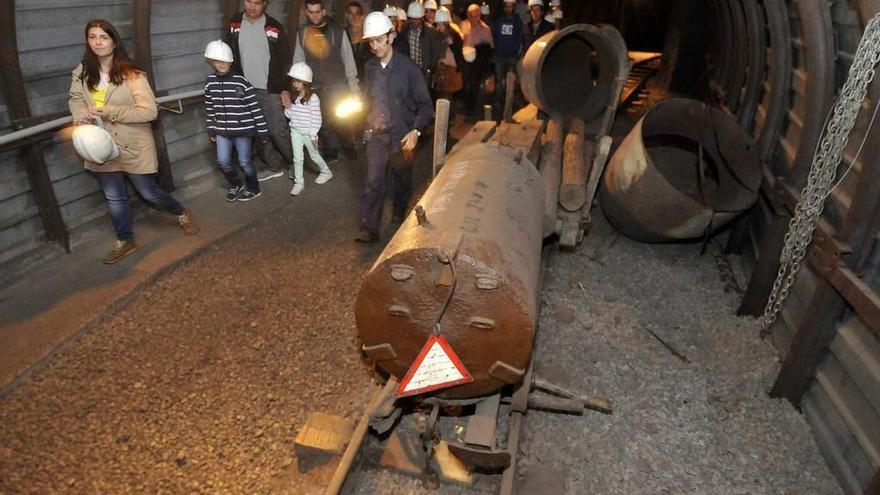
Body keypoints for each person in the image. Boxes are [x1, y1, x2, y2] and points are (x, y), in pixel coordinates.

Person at [69, 19, 199, 265]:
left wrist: (110, 112)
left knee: (149, 193)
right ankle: (125, 240)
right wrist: (79, 114)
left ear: (114, 41)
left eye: (103, 37)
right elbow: (76, 98)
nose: (98, 42)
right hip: (100, 146)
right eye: (93, 36)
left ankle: (181, 212)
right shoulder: (82, 71)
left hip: (132, 145)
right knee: (114, 198)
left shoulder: (132, 74)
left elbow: (149, 111)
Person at [357, 11, 433, 243]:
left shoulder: (409, 70)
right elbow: (367, 98)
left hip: (401, 136)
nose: (375, 46)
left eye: (379, 40)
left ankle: (400, 211)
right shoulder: (370, 68)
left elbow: (426, 107)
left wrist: (416, 131)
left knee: (401, 179)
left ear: (391, 36)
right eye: (371, 42)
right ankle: (369, 227)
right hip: (377, 136)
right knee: (374, 181)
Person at [224, 0, 292, 182]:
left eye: (257, 3)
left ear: (265, 4)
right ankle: (274, 165)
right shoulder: (234, 24)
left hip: (270, 89)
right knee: (258, 131)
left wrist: (285, 88)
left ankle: (296, 163)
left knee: (278, 130)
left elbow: (286, 60)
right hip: (245, 89)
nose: (252, 7)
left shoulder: (274, 27)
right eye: (248, 1)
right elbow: (228, 54)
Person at [293, 0, 360, 162]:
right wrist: (300, 88)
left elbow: (348, 60)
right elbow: (298, 61)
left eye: (317, 11)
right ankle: (331, 151)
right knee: (322, 123)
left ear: (323, 11)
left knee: (342, 118)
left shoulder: (337, 31)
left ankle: (348, 144)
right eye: (311, 12)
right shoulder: (302, 34)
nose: (314, 15)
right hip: (316, 86)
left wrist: (354, 88)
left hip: (338, 85)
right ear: (306, 13)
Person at [203, 40, 268, 202]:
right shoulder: (210, 82)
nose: (221, 64)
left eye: (224, 60)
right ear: (212, 62)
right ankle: (236, 185)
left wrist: (262, 131)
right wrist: (211, 129)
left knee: (245, 162)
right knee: (223, 161)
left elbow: (255, 108)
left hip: (243, 131)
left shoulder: (241, 82)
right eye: (217, 61)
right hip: (222, 131)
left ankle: (254, 188)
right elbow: (210, 108)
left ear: (231, 61)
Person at [285, 62, 333, 196]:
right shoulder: (294, 96)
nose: (295, 83)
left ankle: (326, 172)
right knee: (297, 158)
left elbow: (317, 118)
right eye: (293, 80)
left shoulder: (313, 98)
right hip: (295, 131)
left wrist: (313, 134)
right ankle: (298, 182)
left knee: (314, 155)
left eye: (298, 81)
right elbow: (291, 115)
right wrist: (288, 108)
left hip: (308, 133)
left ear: (306, 82)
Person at [394, 2, 447, 87]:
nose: (414, 21)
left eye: (417, 18)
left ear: (422, 17)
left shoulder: (431, 32)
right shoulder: (405, 29)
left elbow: (435, 52)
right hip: (408, 71)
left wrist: (430, 68)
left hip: (423, 71)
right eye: (412, 18)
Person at [460, 4, 494, 114]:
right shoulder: (463, 25)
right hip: (465, 59)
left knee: (474, 83)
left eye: (476, 16)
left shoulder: (485, 29)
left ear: (480, 16)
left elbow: (491, 47)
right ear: (468, 15)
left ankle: (471, 107)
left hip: (477, 61)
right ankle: (466, 103)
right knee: (465, 82)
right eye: (471, 16)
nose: (474, 19)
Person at [491, 0, 523, 108]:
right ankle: (497, 101)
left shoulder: (517, 21)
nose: (508, 9)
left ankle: (508, 102)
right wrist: (494, 52)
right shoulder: (499, 20)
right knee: (499, 80)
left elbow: (519, 39)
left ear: (514, 7)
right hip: (499, 56)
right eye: (507, 7)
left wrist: (517, 55)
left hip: (511, 57)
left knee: (510, 81)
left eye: (511, 7)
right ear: (504, 7)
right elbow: (493, 35)